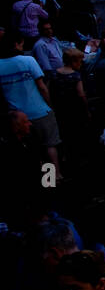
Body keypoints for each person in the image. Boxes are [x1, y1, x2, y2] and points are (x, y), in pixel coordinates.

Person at [0, 33, 60, 181]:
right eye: (21, 44)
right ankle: (53, 178)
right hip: (39, 111)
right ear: (16, 44)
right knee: (49, 146)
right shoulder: (28, 60)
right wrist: (50, 105)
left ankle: (35, 181)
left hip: (16, 117)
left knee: (31, 151)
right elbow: (42, 87)